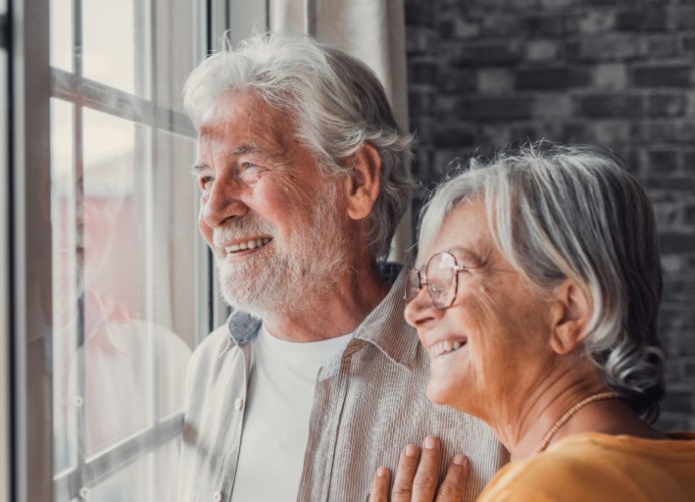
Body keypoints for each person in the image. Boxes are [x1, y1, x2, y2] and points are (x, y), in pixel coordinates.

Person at [177, 32, 505, 502]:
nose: (212, 213)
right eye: (206, 179)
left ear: (356, 183)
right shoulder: (211, 365)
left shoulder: (473, 367)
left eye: (248, 167)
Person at [371, 143, 695, 501]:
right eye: (422, 285)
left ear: (570, 313)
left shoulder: (543, 490)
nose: (414, 312)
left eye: (446, 280)